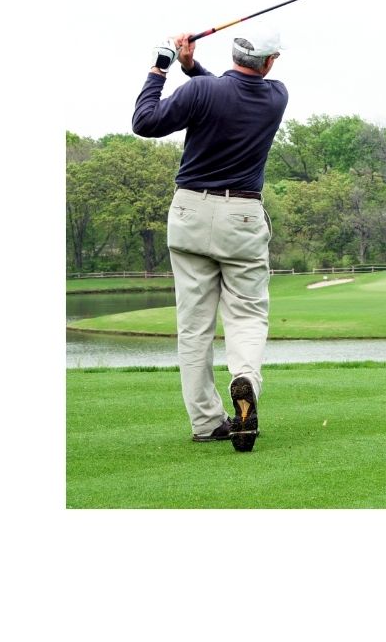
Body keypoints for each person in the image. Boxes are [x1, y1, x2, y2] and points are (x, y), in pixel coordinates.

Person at [132, 24, 289, 452]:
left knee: (194, 327)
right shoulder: (277, 95)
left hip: (189, 213)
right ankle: (245, 380)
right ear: (270, 62)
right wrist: (190, 67)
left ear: (234, 54)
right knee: (247, 316)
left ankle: (206, 421)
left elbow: (144, 122)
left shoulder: (202, 92)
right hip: (242, 214)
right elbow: (223, 91)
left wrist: (160, 69)